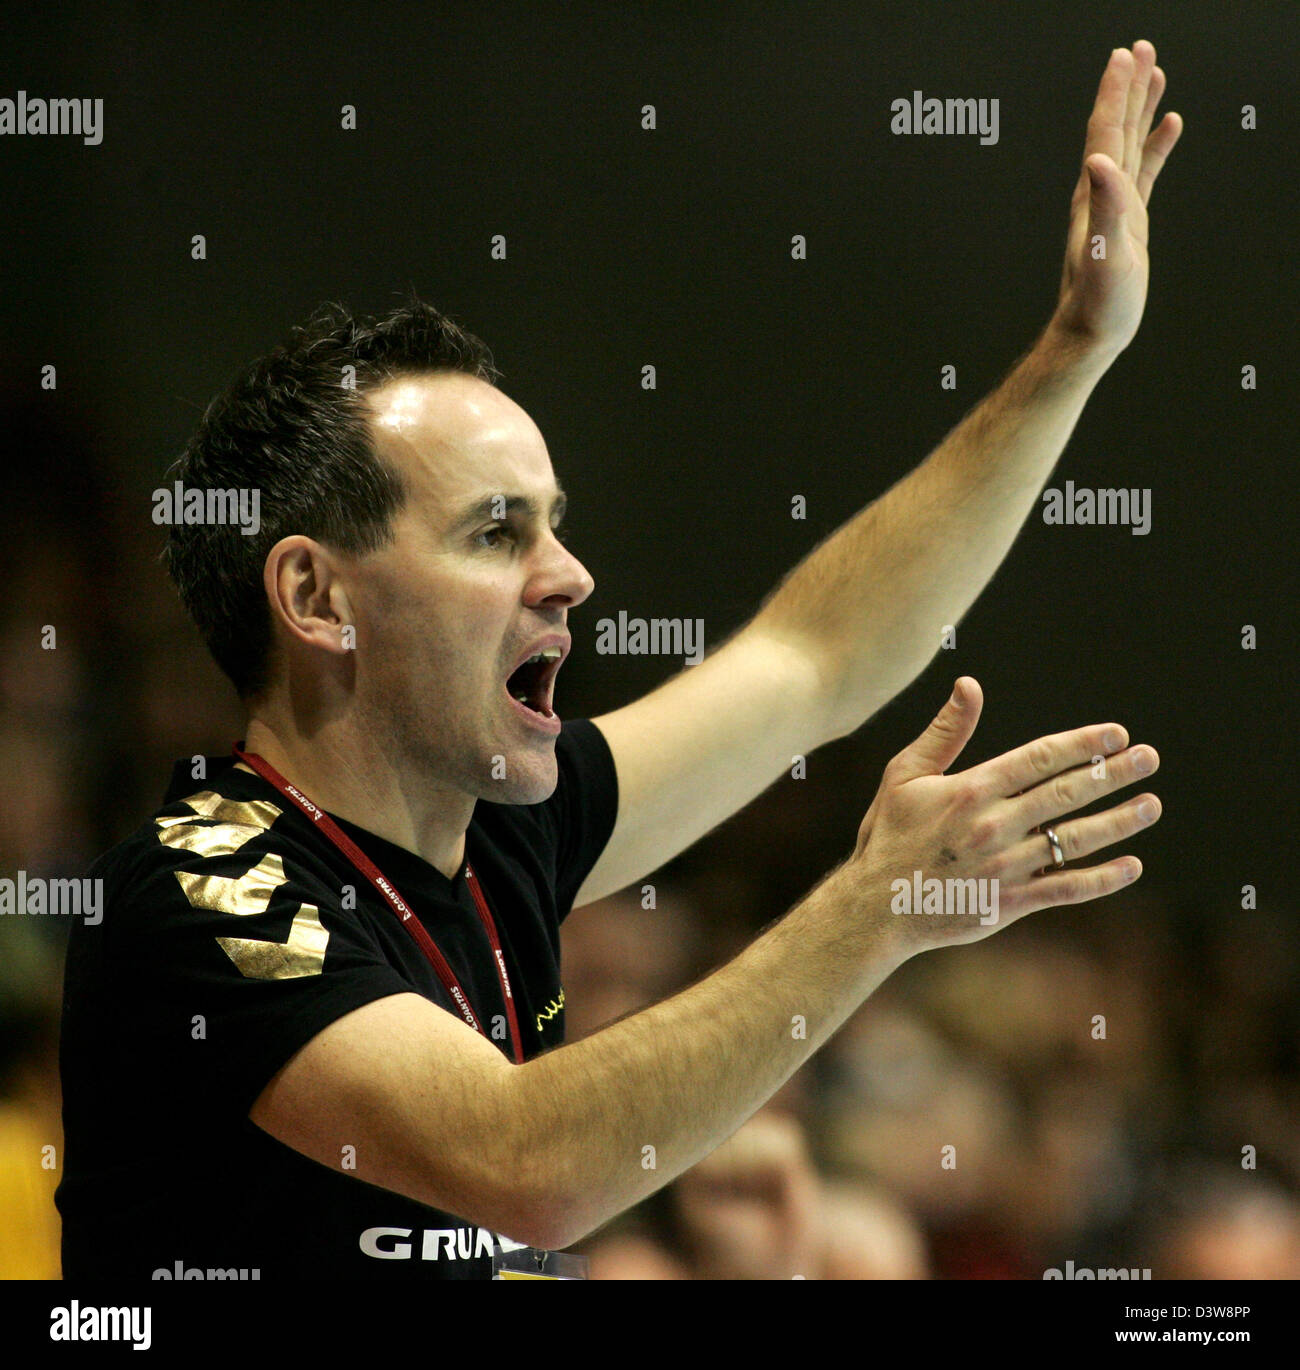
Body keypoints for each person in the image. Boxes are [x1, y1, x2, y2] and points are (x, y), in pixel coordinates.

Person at [56, 41, 1179, 1279]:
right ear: (318, 596)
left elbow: (816, 656)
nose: (569, 574)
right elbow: (524, 1165)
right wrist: (874, 909)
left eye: (553, 521)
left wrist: (1074, 351)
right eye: (496, 530)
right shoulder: (200, 893)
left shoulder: (499, 839)